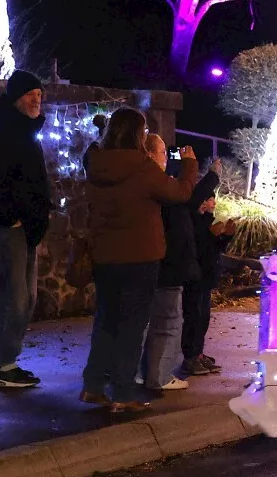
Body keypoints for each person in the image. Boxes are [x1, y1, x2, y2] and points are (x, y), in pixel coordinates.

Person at [82, 108, 197, 413]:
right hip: (139, 257)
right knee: (132, 325)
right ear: (136, 134)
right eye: (144, 132)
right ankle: (122, 392)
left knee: (106, 320)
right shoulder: (143, 168)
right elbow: (180, 192)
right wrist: (189, 164)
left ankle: (93, 385)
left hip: (104, 256)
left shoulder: (94, 163)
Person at [0, 70, 52, 388]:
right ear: (15, 98)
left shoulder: (24, 131)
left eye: (39, 94)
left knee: (25, 296)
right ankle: (3, 366)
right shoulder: (1, 133)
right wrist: (10, 217)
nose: (36, 99)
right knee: (17, 297)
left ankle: (0, 357)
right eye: (30, 94)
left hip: (25, 228)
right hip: (9, 226)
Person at [141, 136, 219, 391]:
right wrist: (200, 171)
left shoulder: (154, 183)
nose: (167, 157)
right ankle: (158, 375)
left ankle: (143, 372)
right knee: (168, 322)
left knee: (160, 321)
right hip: (170, 264)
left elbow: (186, 206)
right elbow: (185, 196)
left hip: (171, 262)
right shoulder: (157, 183)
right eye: (163, 152)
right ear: (150, 154)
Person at [181, 192, 234, 376]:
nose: (212, 203)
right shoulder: (194, 222)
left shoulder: (205, 221)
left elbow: (213, 249)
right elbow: (198, 248)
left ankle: (198, 353)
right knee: (193, 318)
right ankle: (190, 358)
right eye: (208, 199)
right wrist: (212, 235)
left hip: (206, 278)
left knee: (203, 318)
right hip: (196, 278)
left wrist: (226, 236)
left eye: (212, 199)